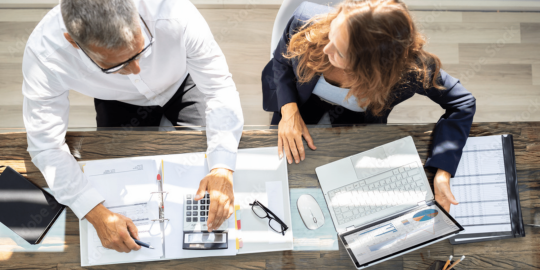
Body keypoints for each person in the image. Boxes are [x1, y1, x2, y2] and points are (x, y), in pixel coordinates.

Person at [22, 0, 243, 253]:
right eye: (117, 65)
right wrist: (94, 212)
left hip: (182, 82)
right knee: (117, 175)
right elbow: (46, 145)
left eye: (142, 50)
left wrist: (223, 168)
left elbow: (219, 90)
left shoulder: (175, 13)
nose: (136, 69)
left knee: (204, 169)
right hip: (117, 100)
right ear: (74, 43)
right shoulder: (44, 54)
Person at [261, 0, 476, 211]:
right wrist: (289, 111)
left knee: (350, 193)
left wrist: (442, 172)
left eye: (341, 52)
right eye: (332, 33)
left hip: (358, 123)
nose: (326, 49)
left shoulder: (410, 70)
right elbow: (281, 62)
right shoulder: (306, 19)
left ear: (373, 69)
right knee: (278, 178)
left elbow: (463, 103)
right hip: (299, 99)